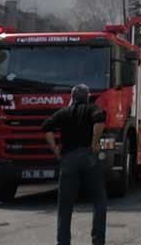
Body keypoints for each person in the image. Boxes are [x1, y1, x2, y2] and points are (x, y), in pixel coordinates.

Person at [41, 84, 107, 245]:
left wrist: (55, 151)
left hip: (68, 160)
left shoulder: (63, 112)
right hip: (88, 158)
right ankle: (98, 241)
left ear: (71, 97)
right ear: (87, 97)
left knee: (65, 204)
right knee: (99, 199)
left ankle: (63, 242)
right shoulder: (92, 109)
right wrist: (94, 142)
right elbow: (99, 120)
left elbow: (46, 127)